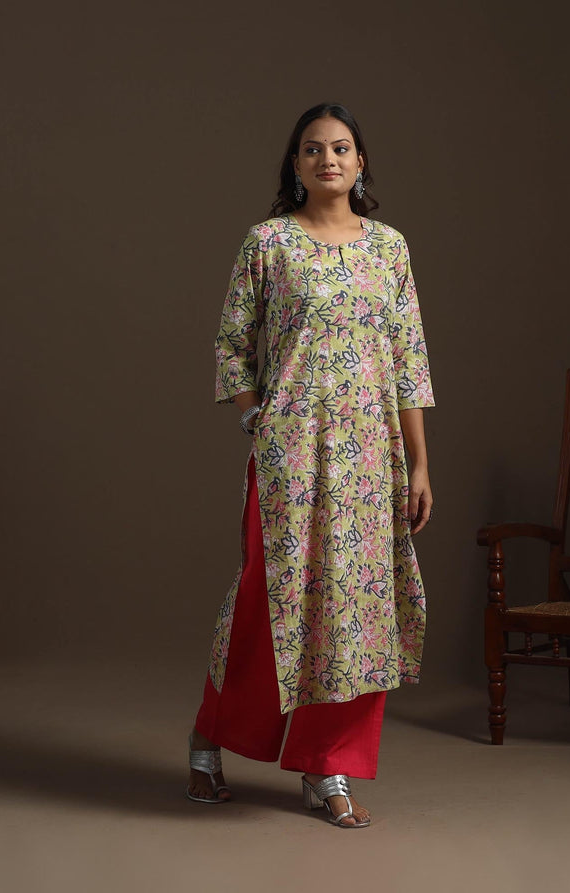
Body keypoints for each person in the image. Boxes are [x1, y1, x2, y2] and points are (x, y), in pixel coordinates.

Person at [186, 102, 434, 828]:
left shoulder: (390, 249)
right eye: (313, 149)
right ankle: (209, 737)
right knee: (270, 602)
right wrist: (254, 417)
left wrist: (420, 465)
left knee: (357, 610)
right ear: (295, 164)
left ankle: (328, 766)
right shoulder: (269, 243)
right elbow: (233, 343)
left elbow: (408, 362)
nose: (329, 160)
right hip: (291, 454)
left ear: (361, 162)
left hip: (372, 458)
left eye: (342, 148)